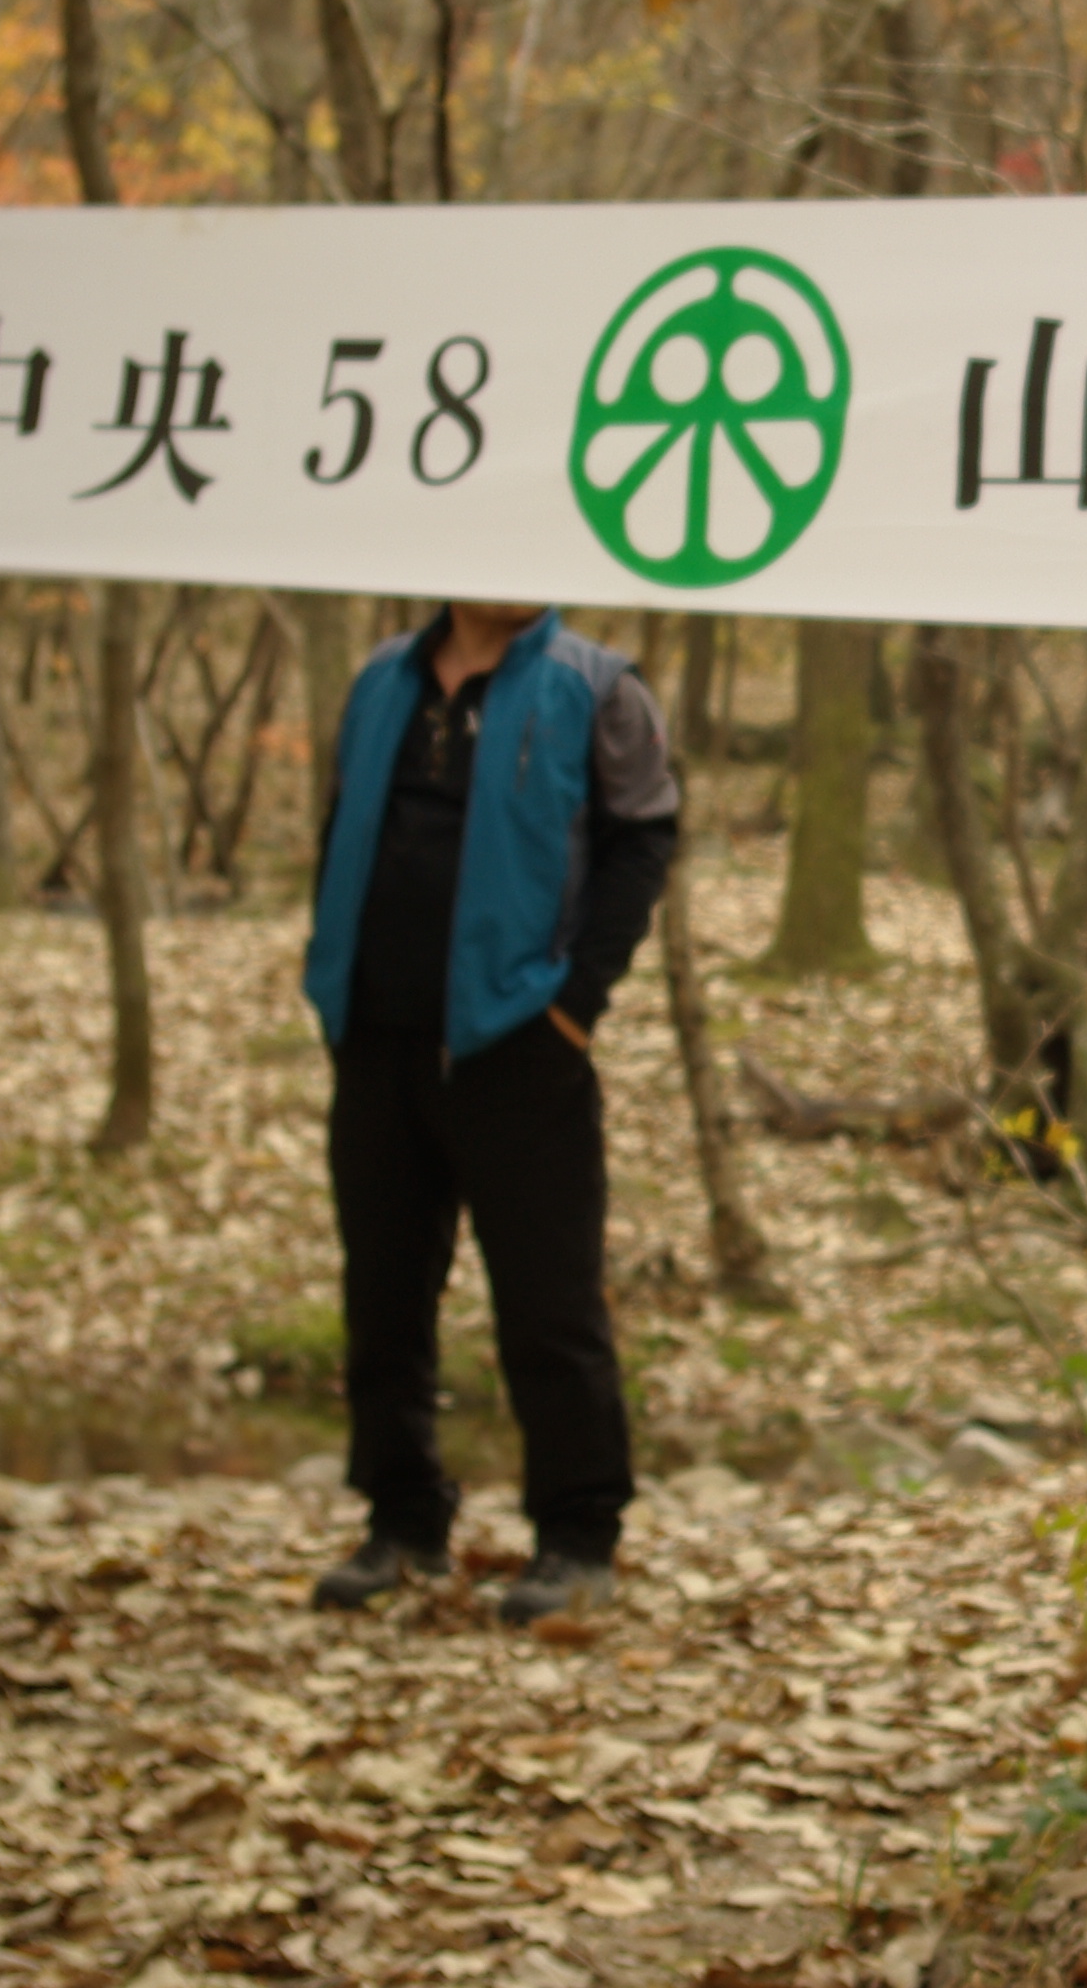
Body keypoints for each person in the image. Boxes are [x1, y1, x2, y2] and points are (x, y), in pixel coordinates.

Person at [297, 602, 680, 1625]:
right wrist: (332, 981)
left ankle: (577, 1537)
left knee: (550, 1307)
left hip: (519, 1048)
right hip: (377, 1039)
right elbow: (342, 825)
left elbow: (645, 840)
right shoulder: (383, 679)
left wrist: (572, 1008)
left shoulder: (596, 686)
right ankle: (402, 1522)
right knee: (382, 1297)